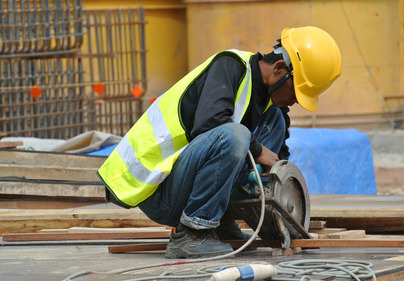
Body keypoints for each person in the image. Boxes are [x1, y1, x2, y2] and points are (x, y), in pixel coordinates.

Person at [97, 26, 341, 259]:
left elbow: (279, 157)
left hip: (185, 184)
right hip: (157, 190)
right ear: (279, 69)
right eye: (296, 91)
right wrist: (258, 151)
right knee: (236, 135)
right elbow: (210, 124)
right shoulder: (230, 66)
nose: (296, 100)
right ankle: (191, 233)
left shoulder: (271, 106)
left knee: (271, 122)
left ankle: (221, 223)